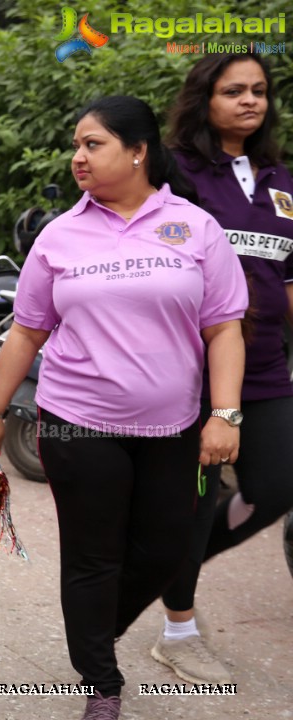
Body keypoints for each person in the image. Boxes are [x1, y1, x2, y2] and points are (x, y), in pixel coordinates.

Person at [0, 95, 247, 720]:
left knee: (167, 548)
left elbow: (224, 329)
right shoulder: (60, 235)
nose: (78, 156)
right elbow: (27, 332)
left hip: (175, 425)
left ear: (138, 151)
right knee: (94, 558)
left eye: (92, 143)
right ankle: (101, 681)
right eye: (77, 144)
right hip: (77, 423)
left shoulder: (193, 227)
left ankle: (92, 633)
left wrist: (225, 413)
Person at [152, 54, 293, 683]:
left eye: (259, 91)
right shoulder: (176, 173)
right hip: (190, 369)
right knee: (197, 502)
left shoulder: (282, 179)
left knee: (277, 483)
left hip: (265, 368)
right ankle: (179, 629)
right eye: (233, 90)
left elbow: (287, 278)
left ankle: (160, 564)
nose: (250, 101)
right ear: (203, 98)